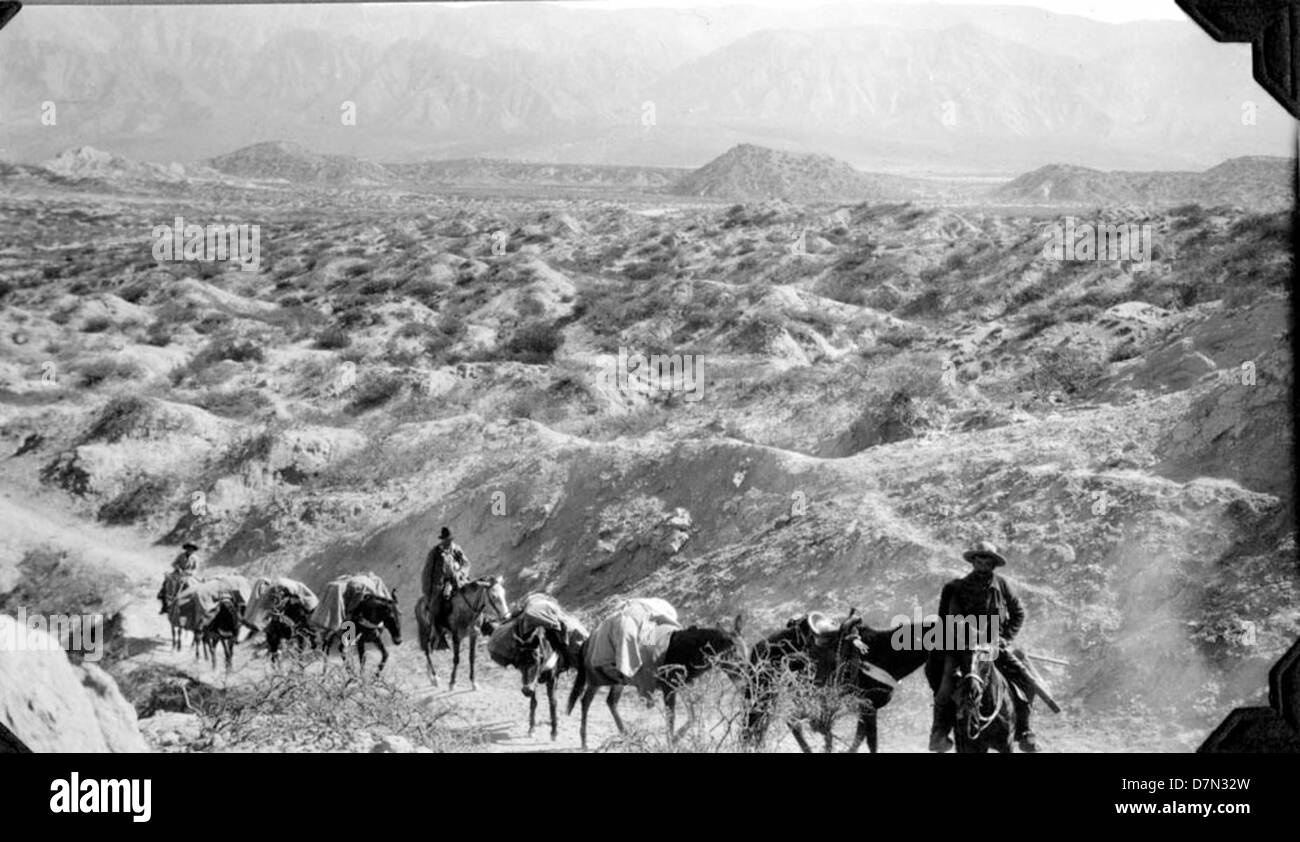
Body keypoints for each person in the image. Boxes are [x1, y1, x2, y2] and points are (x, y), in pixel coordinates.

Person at [927, 540, 1039, 753]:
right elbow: (948, 619)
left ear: (993, 564)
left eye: (988, 561)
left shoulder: (1002, 585)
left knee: (1028, 680)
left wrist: (1005, 637)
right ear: (973, 562)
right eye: (979, 560)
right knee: (945, 688)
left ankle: (1025, 731)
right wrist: (964, 637)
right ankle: (939, 733)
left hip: (994, 646)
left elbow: (1018, 613)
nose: (983, 565)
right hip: (963, 648)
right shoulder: (956, 588)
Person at [421, 527, 470, 650]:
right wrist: (428, 592)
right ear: (442, 540)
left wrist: (461, 573)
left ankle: (484, 623)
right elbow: (427, 573)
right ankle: (440, 637)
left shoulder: (456, 549)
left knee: (474, 595)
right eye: (446, 540)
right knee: (436, 608)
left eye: (450, 539)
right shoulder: (435, 553)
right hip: (440, 585)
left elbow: (466, 564)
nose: (448, 542)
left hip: (458, 581)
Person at [158, 543, 201, 614]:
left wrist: (191, 572)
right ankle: (164, 603)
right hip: (178, 573)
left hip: (188, 575)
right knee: (168, 581)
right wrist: (178, 568)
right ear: (186, 549)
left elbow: (195, 569)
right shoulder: (181, 555)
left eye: (192, 549)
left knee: (196, 586)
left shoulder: (195, 558)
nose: (190, 550)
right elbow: (174, 563)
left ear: (194, 550)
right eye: (189, 549)